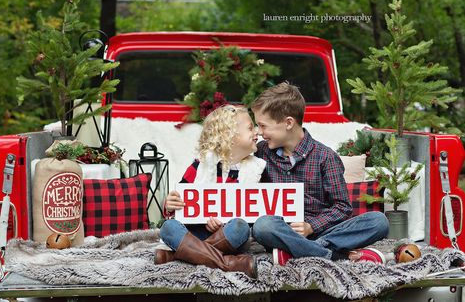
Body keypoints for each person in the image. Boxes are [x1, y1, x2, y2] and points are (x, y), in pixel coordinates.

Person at [250, 82, 389, 265]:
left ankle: (298, 252)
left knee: (378, 221)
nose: (259, 133)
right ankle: (331, 256)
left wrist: (310, 226)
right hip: (282, 232)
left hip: (323, 232)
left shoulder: (325, 157)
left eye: (263, 126)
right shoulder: (261, 152)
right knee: (263, 226)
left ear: (288, 123)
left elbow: (342, 207)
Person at [155, 105, 266, 278]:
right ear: (229, 136)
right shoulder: (200, 165)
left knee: (240, 227)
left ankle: (179, 256)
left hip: (227, 236)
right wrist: (170, 205)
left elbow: (254, 212)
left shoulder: (256, 169)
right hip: (194, 233)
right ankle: (228, 263)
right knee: (169, 228)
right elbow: (181, 200)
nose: (256, 132)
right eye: (250, 128)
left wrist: (223, 224)